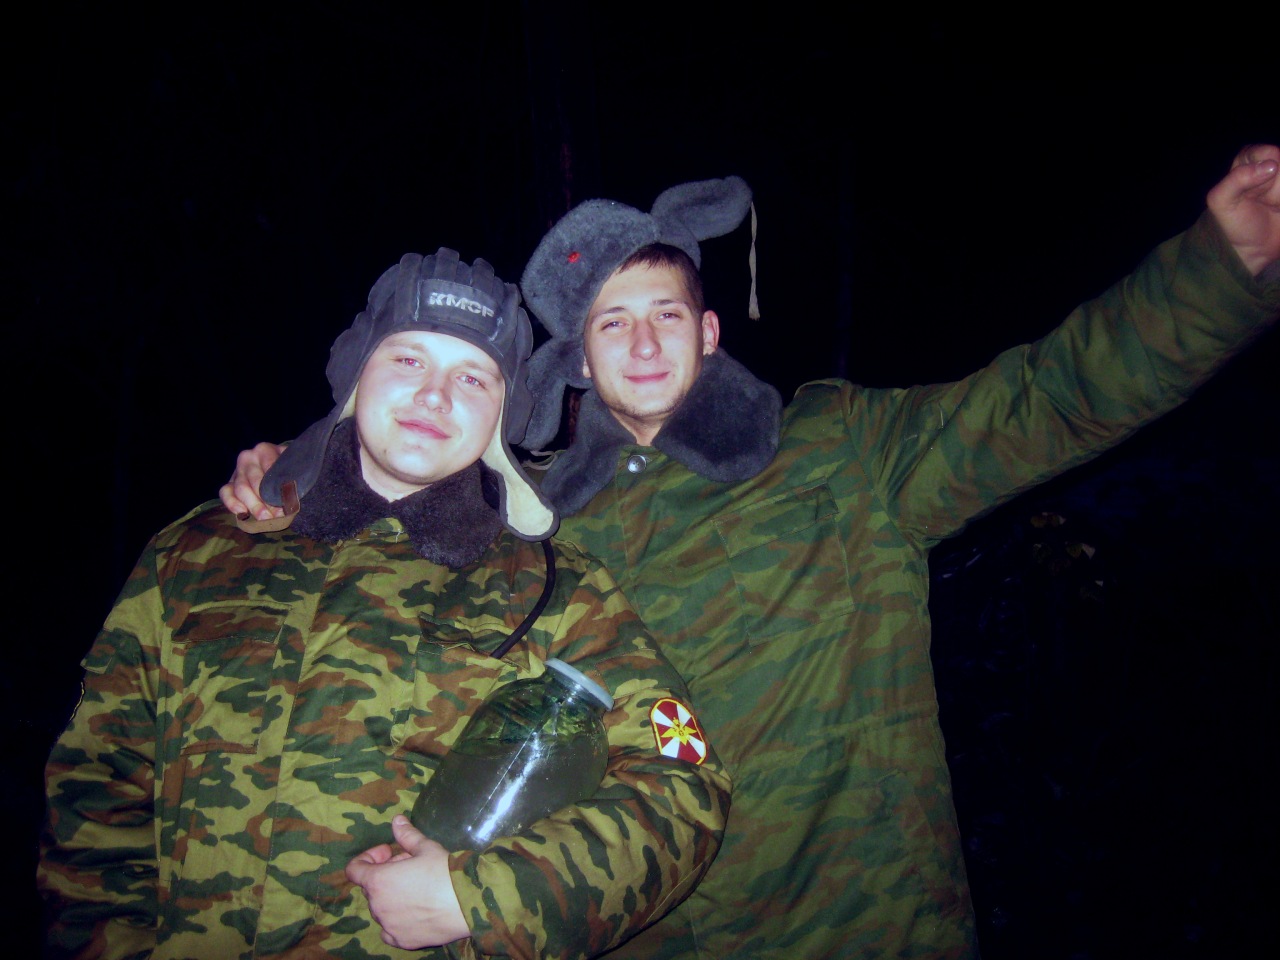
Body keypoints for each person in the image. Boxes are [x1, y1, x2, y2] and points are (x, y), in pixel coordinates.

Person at [222, 147, 1280, 958]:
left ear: (710, 331)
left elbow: (1048, 397)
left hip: (862, 925)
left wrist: (1219, 268)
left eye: (665, 314)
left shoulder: (839, 452)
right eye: (612, 324)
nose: (643, 342)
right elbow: (395, 585)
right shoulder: (536, 528)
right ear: (578, 360)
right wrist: (292, 483)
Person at [39, 248, 731, 960]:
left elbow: (683, 788)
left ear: (503, 414)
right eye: (407, 359)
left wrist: (482, 899)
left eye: (473, 377)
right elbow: (97, 789)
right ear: (356, 371)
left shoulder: (555, 589)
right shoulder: (194, 555)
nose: (435, 396)